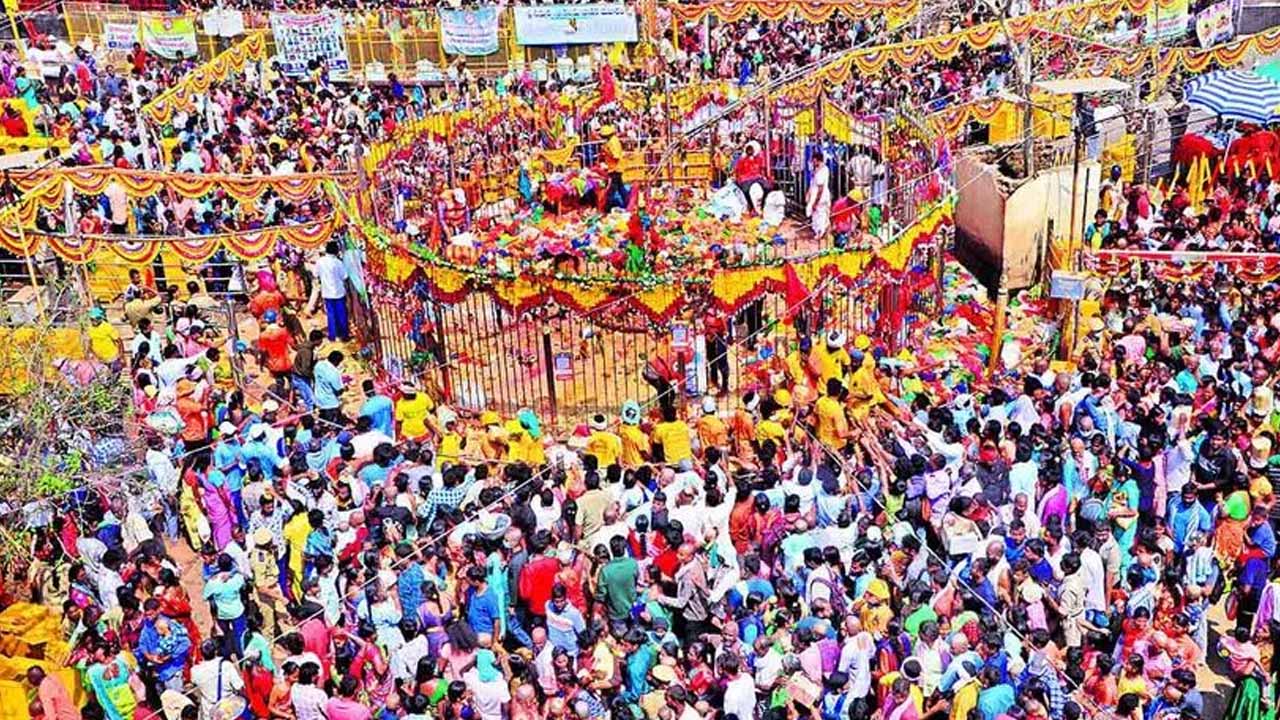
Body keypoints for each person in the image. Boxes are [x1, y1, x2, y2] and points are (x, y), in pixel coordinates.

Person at [315, 241, 349, 341]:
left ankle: (332, 336)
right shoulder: (338, 262)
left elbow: (315, 274)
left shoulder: (320, 261)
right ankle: (344, 335)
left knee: (331, 314)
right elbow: (345, 276)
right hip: (339, 292)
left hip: (327, 292)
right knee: (341, 314)